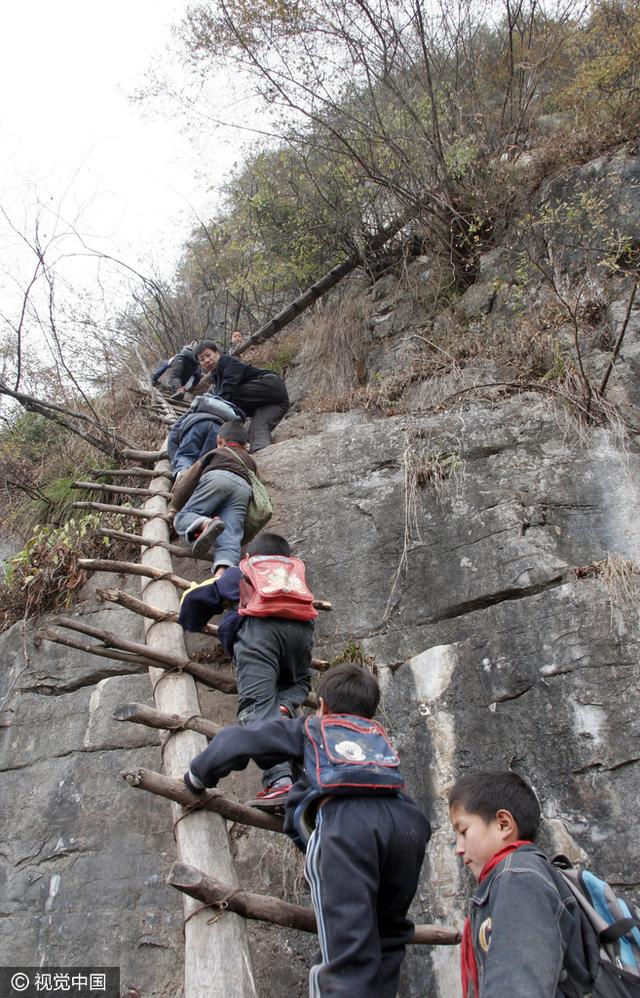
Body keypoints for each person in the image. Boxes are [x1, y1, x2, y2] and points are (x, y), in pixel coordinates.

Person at [184, 663, 431, 998]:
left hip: (347, 828)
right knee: (388, 935)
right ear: (371, 713)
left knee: (345, 954)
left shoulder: (313, 727)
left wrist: (197, 776)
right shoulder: (377, 739)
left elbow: (238, 740)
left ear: (323, 706)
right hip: (409, 826)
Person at [179, 533, 315, 803]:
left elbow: (196, 600)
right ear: (288, 558)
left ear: (249, 557)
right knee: (299, 682)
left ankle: (279, 781)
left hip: (259, 636)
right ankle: (284, 705)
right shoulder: (295, 576)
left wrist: (190, 620)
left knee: (257, 709)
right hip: (301, 635)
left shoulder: (244, 571)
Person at [449, 771, 596, 998]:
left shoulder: (518, 878)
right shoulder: (521, 876)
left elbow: (517, 987)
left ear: (504, 824)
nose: (459, 848)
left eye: (463, 831)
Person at [172, 420, 256, 573]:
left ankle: (205, 524)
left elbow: (189, 479)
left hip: (217, 478)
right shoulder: (250, 461)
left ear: (219, 440)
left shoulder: (215, 453)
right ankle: (222, 573)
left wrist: (175, 506)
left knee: (183, 517)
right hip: (243, 489)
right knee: (230, 535)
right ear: (245, 445)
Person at [195, 339, 289, 451]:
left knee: (229, 397)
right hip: (275, 403)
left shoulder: (228, 362)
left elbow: (226, 393)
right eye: (202, 360)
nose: (207, 360)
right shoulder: (216, 377)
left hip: (271, 385)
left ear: (217, 353)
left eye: (208, 355)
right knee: (256, 430)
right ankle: (262, 451)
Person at [168, 396, 246, 476]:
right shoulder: (230, 415)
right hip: (219, 429)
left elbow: (174, 432)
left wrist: (174, 459)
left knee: (187, 455)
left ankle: (182, 475)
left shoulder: (196, 408)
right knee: (205, 462)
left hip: (196, 423)